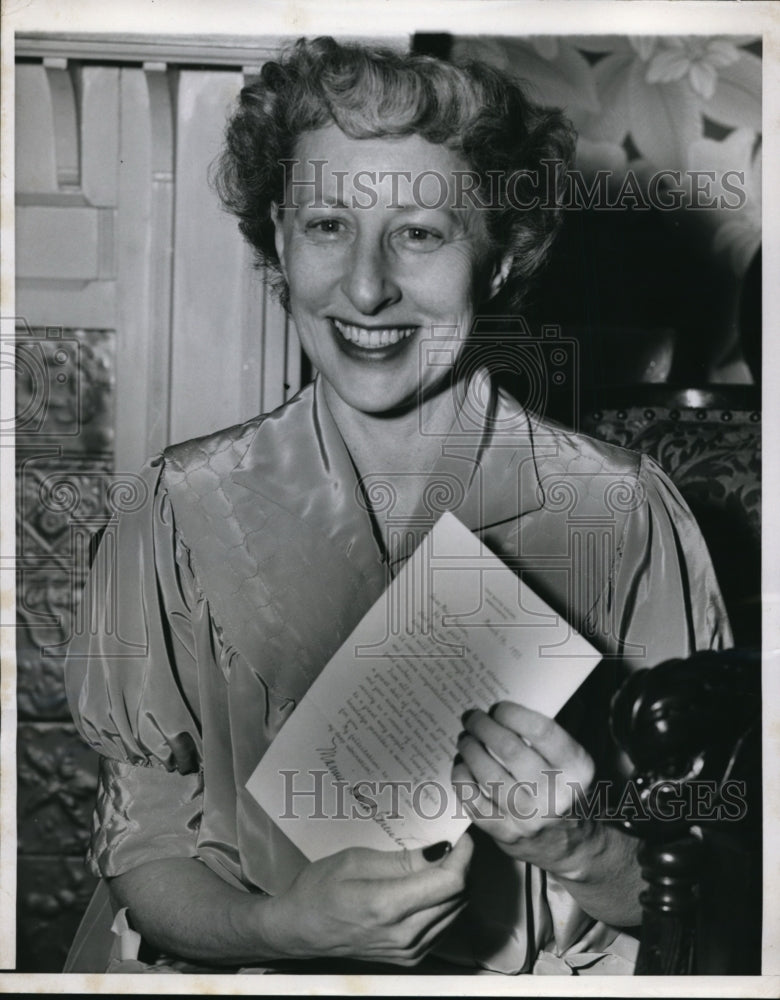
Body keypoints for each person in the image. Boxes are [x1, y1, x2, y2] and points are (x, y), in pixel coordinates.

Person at [64, 36, 732, 975]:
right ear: (278, 242)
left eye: (420, 233)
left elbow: (704, 881)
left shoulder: (623, 517)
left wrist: (574, 844)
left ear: (499, 260)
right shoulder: (173, 510)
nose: (368, 288)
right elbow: (145, 854)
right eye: (328, 226)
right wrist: (280, 928)